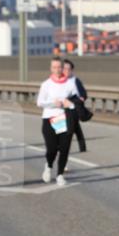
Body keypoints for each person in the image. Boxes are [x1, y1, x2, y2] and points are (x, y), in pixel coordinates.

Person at [36, 57, 79, 186]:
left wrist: (70, 103)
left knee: (64, 148)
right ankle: (48, 166)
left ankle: (60, 175)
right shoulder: (46, 84)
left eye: (59, 67)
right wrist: (52, 103)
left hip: (63, 119)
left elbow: (77, 101)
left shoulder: (70, 84)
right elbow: (39, 102)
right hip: (49, 119)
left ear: (63, 68)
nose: (57, 70)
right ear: (51, 68)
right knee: (52, 149)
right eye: (54, 67)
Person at [62, 58, 88, 153]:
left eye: (68, 69)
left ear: (71, 70)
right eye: (64, 68)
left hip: (73, 108)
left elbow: (84, 93)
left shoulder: (75, 80)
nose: (66, 71)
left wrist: (82, 98)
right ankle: (82, 147)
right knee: (75, 127)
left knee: (71, 128)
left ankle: (65, 148)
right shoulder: (58, 80)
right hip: (61, 108)